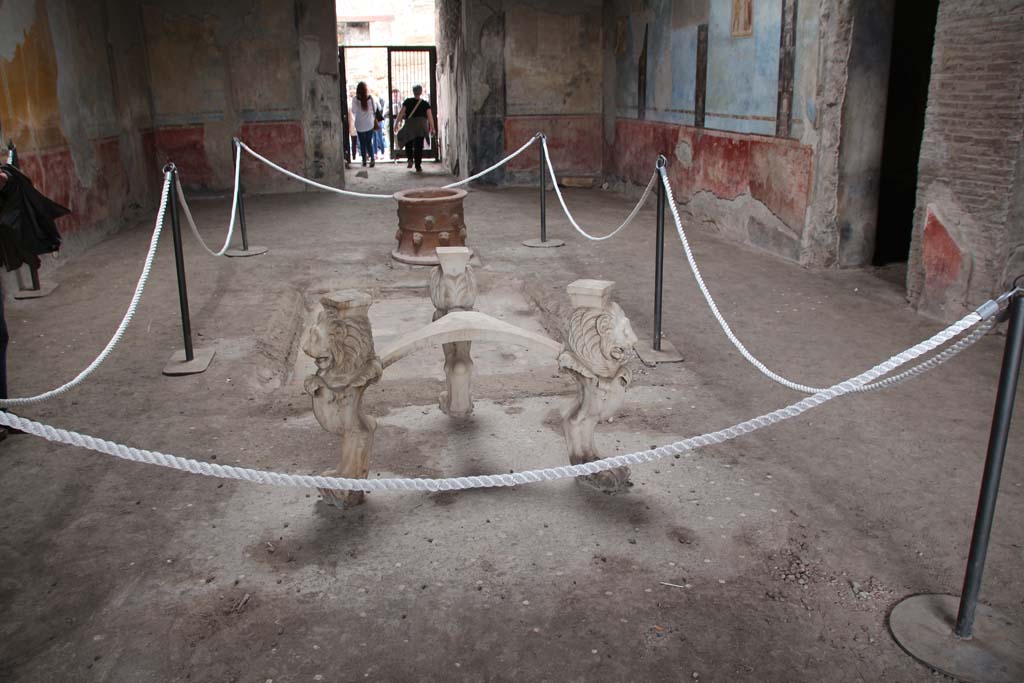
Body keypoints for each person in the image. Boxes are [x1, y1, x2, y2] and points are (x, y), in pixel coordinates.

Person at [394, 84, 435, 173]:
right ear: (420, 92)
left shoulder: (407, 102)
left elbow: (401, 113)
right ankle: (418, 165)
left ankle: (410, 159)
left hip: (410, 125)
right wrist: (432, 127)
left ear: (413, 92)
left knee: (408, 141)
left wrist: (396, 123)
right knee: (419, 145)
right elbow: (430, 116)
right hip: (421, 126)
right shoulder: (425, 104)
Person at [349, 81, 377, 168]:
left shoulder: (354, 99)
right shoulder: (371, 98)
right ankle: (372, 159)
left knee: (362, 142)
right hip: (369, 124)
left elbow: (353, 111)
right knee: (369, 142)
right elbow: (375, 109)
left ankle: (364, 160)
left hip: (359, 124)